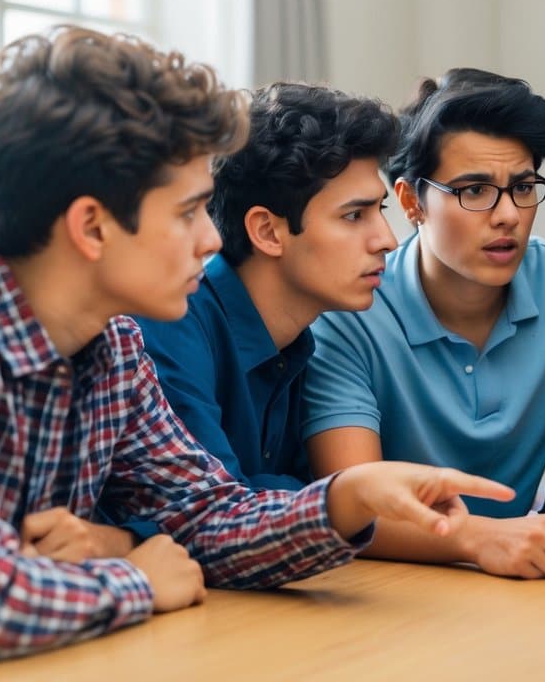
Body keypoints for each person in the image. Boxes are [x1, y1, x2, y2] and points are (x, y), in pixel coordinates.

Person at [0, 28, 513, 664]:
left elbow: (205, 519)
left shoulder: (114, 347)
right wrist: (137, 579)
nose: (211, 241)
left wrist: (346, 497)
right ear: (92, 225)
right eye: (188, 211)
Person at [302, 68, 545, 579]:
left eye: (522, 187)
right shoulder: (350, 313)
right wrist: (481, 539)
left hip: (529, 577)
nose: (507, 215)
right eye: (474, 191)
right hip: (396, 588)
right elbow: (353, 503)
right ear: (409, 202)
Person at [133, 83, 399, 492]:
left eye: (379, 210)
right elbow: (213, 509)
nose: (387, 240)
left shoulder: (298, 343)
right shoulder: (172, 323)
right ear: (267, 232)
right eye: (353, 215)